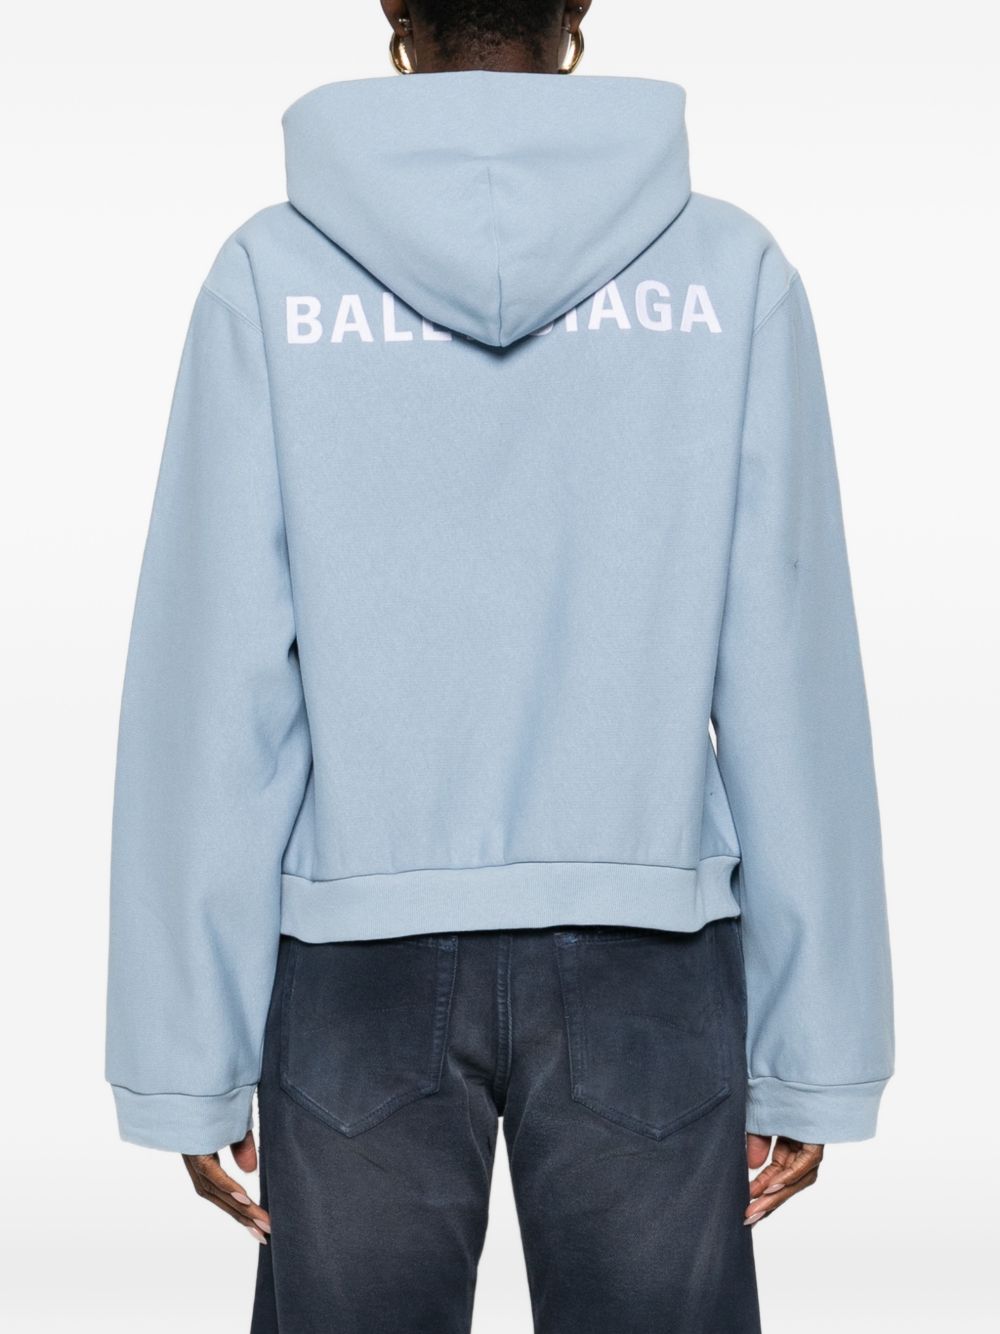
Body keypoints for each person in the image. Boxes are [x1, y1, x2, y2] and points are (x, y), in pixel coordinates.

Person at [103, 2, 896, 1330]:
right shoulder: (729, 275)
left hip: (356, 963)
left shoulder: (272, 277)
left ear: (394, 10)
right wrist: (817, 1048)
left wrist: (184, 1055)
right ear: (576, 10)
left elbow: (213, 684)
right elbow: (789, 668)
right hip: (650, 956)